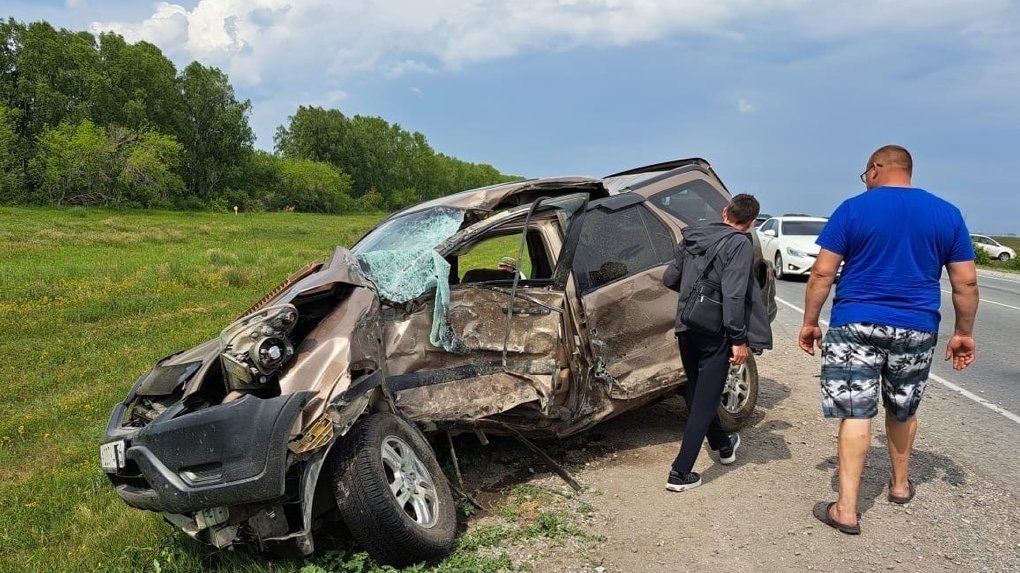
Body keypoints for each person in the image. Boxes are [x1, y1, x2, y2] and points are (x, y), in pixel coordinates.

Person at [799, 145, 979, 534]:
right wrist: (963, 332)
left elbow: (821, 274)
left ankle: (846, 510)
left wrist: (811, 321)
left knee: (855, 411)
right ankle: (899, 486)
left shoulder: (852, 209)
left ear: (877, 168)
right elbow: (965, 282)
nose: (866, 183)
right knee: (903, 408)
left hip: (855, 324)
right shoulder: (947, 213)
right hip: (916, 326)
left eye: (866, 175)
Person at [663, 193, 774, 492]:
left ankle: (724, 446)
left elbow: (669, 277)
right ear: (750, 223)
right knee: (704, 401)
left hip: (686, 325)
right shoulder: (740, 243)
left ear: (725, 212)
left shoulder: (693, 236)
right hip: (715, 332)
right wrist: (739, 339)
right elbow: (734, 294)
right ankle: (680, 472)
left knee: (699, 391)